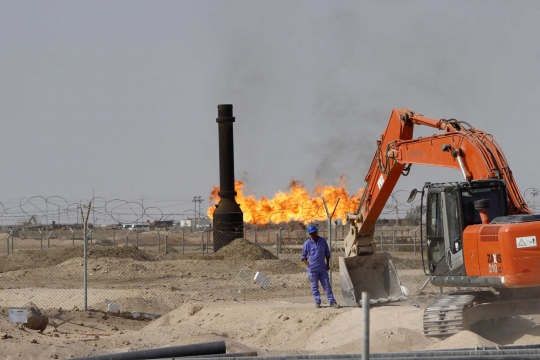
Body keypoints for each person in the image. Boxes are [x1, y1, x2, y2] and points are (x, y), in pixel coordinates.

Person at [301, 225, 340, 309]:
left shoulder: (323, 241)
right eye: (311, 234)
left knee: (327, 285)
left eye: (314, 233)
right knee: (314, 286)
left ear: (317, 232)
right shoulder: (307, 244)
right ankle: (317, 302)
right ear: (309, 234)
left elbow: (327, 254)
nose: (313, 235)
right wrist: (309, 266)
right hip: (313, 268)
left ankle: (332, 302)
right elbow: (303, 257)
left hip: (322, 267)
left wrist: (328, 265)